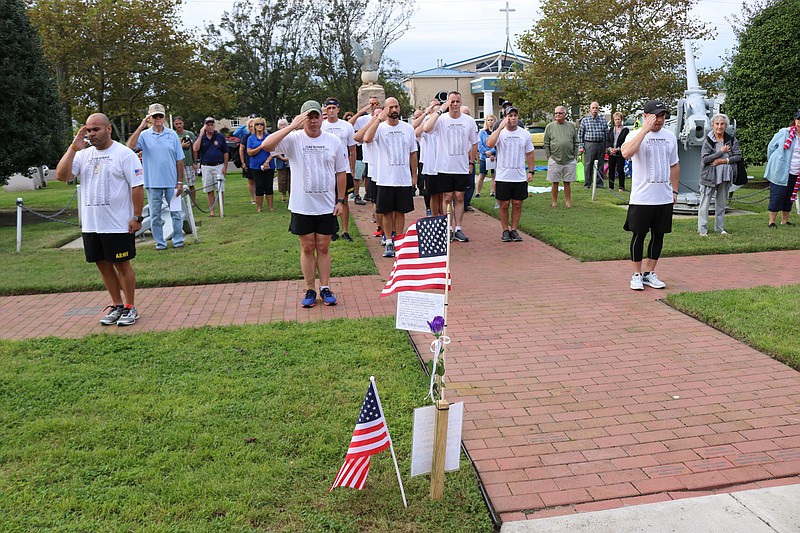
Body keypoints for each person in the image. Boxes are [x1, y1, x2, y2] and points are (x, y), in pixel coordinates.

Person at [55, 113, 145, 326]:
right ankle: (117, 305)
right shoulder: (83, 155)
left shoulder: (124, 154)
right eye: (88, 130)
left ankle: (130, 307)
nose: (92, 134)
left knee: (122, 264)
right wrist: (73, 147)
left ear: (108, 129)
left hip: (118, 223)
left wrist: (137, 217)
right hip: (92, 223)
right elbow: (62, 175)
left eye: (96, 129)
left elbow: (137, 186)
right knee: (103, 265)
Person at [261, 100, 348, 308]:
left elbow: (341, 172)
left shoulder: (333, 141)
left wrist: (341, 200)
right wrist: (292, 126)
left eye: (317, 116)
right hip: (302, 205)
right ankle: (310, 288)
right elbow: (266, 145)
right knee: (307, 246)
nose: (314, 121)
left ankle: (325, 287)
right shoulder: (293, 139)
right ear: (302, 118)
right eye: (309, 117)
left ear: (322, 117)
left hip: (326, 204)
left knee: (323, 246)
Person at [621, 100, 680, 291]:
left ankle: (649, 273)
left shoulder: (670, 137)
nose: (660, 120)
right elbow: (625, 153)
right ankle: (636, 274)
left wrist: (675, 190)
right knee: (639, 235)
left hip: (663, 197)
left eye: (662, 116)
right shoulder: (634, 135)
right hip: (642, 198)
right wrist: (644, 131)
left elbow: (675, 164)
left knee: (659, 235)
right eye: (656, 116)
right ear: (646, 116)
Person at [360, 97, 418, 258]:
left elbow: (413, 153)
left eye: (396, 106)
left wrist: (414, 176)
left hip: (403, 177)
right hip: (385, 178)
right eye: (390, 107)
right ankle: (389, 241)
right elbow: (366, 138)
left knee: (400, 211)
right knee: (386, 211)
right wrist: (378, 119)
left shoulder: (407, 128)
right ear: (385, 109)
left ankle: (399, 240)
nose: (394, 110)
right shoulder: (380, 128)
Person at [422, 91, 479, 242]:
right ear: (448, 103)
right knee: (447, 197)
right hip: (444, 166)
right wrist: (440, 110)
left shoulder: (468, 121)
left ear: (461, 103)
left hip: (461, 166)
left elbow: (474, 143)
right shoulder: (441, 119)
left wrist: (471, 162)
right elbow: (426, 128)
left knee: (459, 197)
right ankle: (447, 228)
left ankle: (458, 228)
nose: (455, 105)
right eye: (452, 102)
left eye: (457, 102)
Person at [127, 103, 184, 250]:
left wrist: (179, 182)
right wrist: (140, 127)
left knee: (176, 213)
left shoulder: (172, 135)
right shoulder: (144, 136)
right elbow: (130, 147)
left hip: (172, 182)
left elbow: (179, 159)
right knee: (155, 216)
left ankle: (178, 240)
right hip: (152, 183)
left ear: (164, 117)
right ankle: (160, 243)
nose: (157, 118)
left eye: (160, 116)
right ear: (150, 118)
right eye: (154, 116)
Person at [485, 106, 534, 242]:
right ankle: (505, 230)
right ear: (505, 117)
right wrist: (499, 128)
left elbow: (530, 153)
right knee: (504, 204)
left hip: (519, 175)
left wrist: (531, 171)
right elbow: (489, 144)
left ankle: (514, 229)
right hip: (503, 175)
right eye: (510, 116)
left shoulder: (524, 134)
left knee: (518, 203)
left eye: (515, 116)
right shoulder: (500, 133)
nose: (512, 118)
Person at [321, 97, 357, 241]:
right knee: (329, 200)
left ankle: (345, 230)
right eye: (328, 108)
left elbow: (352, 149)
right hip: (327, 169)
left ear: (338, 110)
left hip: (344, 168)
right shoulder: (322, 126)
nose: (331, 111)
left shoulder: (347, 126)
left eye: (333, 108)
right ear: (325, 110)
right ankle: (331, 229)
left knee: (344, 200)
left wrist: (352, 169)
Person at [698, 114, 741, 236]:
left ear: (726, 126)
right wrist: (720, 152)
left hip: (725, 175)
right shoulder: (708, 140)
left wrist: (724, 160)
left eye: (722, 124)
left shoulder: (731, 140)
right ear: (712, 126)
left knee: (721, 203)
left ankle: (719, 228)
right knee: (704, 204)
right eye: (717, 124)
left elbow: (738, 156)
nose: (719, 126)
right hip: (709, 176)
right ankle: (702, 230)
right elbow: (705, 159)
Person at [764, 110, 800, 228]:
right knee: (777, 195)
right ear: (795, 120)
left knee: (790, 196)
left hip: (796, 171)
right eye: (798, 119)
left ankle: (785, 220)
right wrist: (775, 162)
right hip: (781, 170)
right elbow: (771, 147)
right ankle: (771, 221)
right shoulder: (785, 132)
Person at [543, 106, 578, 208]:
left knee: (567, 183)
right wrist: (548, 156)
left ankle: (568, 202)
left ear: (565, 114)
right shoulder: (549, 127)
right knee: (555, 183)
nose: (557, 115)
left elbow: (576, 142)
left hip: (570, 159)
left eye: (560, 113)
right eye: (556, 113)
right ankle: (554, 202)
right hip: (554, 159)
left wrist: (575, 155)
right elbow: (546, 143)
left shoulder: (571, 126)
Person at [193, 117, 228, 217]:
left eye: (211, 125)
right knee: (209, 189)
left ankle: (221, 209)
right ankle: (212, 211)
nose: (210, 127)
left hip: (218, 165)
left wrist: (225, 167)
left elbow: (225, 152)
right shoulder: (201, 136)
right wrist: (200, 135)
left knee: (220, 189)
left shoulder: (219, 136)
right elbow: (195, 148)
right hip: (206, 166)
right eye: (208, 125)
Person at [350, 96, 381, 204]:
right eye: (372, 104)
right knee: (366, 177)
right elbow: (350, 124)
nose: (374, 106)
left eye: (376, 103)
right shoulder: (364, 119)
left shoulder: (384, 120)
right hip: (367, 156)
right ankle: (368, 195)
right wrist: (361, 112)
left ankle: (370, 196)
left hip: (380, 158)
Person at [415, 99, 443, 217]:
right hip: (431, 166)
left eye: (440, 112)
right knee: (434, 194)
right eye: (435, 112)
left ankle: (445, 220)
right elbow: (415, 133)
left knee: (445, 196)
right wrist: (426, 116)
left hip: (444, 165)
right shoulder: (427, 126)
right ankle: (434, 217)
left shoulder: (444, 124)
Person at [246, 117, 274, 212]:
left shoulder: (269, 136)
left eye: (261, 124)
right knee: (259, 186)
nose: (259, 126)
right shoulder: (251, 138)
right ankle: (259, 207)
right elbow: (249, 152)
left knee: (268, 186)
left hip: (269, 165)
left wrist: (267, 162)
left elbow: (273, 151)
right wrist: (261, 146)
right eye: (257, 124)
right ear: (254, 126)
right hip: (255, 166)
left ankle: (270, 207)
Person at [579, 101, 607, 188]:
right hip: (589, 144)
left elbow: (606, 133)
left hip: (600, 144)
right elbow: (580, 134)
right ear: (590, 109)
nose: (595, 110)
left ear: (599, 109)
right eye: (593, 108)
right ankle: (587, 183)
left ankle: (599, 183)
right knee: (588, 164)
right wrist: (581, 146)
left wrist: (606, 146)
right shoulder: (585, 120)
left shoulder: (603, 120)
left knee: (600, 165)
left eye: (596, 108)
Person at [173, 116, 198, 203]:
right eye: (176, 124)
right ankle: (179, 202)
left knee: (191, 184)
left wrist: (195, 162)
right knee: (178, 184)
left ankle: (193, 201)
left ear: (183, 124)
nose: (178, 125)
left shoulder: (190, 134)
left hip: (188, 163)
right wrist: (181, 146)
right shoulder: (172, 135)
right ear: (174, 125)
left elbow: (194, 149)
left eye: (180, 123)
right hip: (176, 164)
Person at [606, 112, 629, 191]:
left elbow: (626, 141)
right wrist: (610, 149)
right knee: (611, 170)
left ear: (621, 120)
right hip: (611, 152)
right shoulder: (611, 130)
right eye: (615, 119)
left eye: (618, 119)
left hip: (620, 152)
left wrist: (618, 149)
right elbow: (608, 140)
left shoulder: (625, 130)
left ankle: (621, 187)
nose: (617, 121)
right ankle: (611, 186)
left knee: (620, 169)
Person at [476, 114, 497, 198]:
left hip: (493, 157)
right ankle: (478, 192)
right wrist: (486, 152)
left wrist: (491, 152)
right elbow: (480, 145)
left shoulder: (496, 132)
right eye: (488, 120)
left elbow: (497, 145)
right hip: (484, 158)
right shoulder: (482, 133)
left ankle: (493, 191)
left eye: (492, 120)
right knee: (482, 175)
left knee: (494, 175)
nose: (490, 122)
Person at [272, 118, 291, 202]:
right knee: (282, 179)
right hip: (281, 160)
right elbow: (274, 149)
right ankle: (283, 195)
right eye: (281, 125)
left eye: (284, 125)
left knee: (291, 178)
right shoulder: (276, 136)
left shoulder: (291, 135)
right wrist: (282, 158)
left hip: (291, 160)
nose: (283, 126)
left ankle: (291, 195)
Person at [239, 118, 256, 204]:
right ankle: (253, 198)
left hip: (259, 162)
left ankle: (259, 196)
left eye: (253, 126)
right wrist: (243, 162)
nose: (252, 128)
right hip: (248, 162)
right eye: (250, 126)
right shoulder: (246, 137)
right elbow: (241, 150)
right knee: (251, 180)